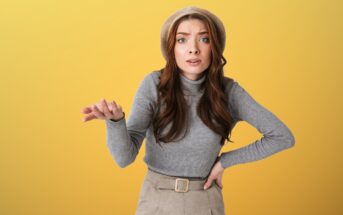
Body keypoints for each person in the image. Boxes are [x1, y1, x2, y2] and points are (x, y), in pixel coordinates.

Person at [81, 6, 295, 215]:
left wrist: (225, 161)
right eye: (182, 40)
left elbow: (282, 137)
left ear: (215, 46)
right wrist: (116, 122)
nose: (193, 48)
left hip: (205, 202)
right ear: (171, 47)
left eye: (204, 39)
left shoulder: (229, 92)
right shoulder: (153, 85)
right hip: (156, 202)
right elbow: (124, 158)